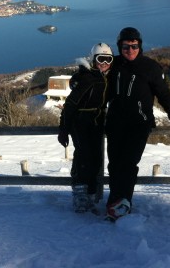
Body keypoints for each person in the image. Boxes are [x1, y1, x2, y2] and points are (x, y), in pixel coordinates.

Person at [104, 27, 170, 221]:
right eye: (126, 46)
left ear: (140, 46)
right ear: (120, 46)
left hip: (139, 124)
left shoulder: (150, 67)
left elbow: (164, 95)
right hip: (115, 124)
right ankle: (114, 201)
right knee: (114, 164)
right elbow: (99, 81)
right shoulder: (115, 65)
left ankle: (123, 203)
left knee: (128, 164)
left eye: (134, 45)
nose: (130, 49)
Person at [57, 42, 114, 213]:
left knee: (96, 158)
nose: (104, 63)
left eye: (108, 59)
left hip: (96, 123)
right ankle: (80, 193)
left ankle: (90, 193)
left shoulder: (105, 77)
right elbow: (70, 104)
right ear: (93, 59)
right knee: (84, 156)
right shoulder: (87, 79)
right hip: (81, 122)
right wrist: (64, 129)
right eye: (100, 59)